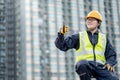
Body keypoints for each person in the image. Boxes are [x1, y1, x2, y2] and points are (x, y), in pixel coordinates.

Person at [55, 10, 119, 80]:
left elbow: (111, 54)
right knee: (82, 64)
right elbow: (62, 45)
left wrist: (110, 63)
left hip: (100, 67)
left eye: (92, 19)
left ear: (99, 23)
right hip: (85, 66)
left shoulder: (104, 38)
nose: (89, 21)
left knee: (114, 78)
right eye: (88, 20)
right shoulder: (79, 36)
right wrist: (61, 34)